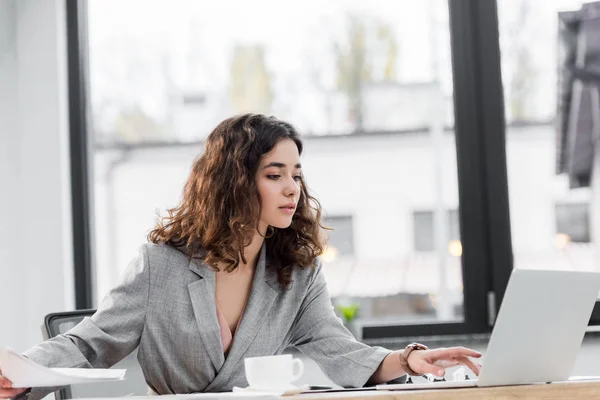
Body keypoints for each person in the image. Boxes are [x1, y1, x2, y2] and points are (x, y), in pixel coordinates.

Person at [0, 114, 481, 399]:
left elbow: (343, 355)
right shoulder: (161, 265)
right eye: (275, 174)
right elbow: (88, 344)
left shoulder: (298, 273)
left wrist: (411, 360)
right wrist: (16, 372)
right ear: (235, 181)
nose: (292, 188)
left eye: (296, 174)